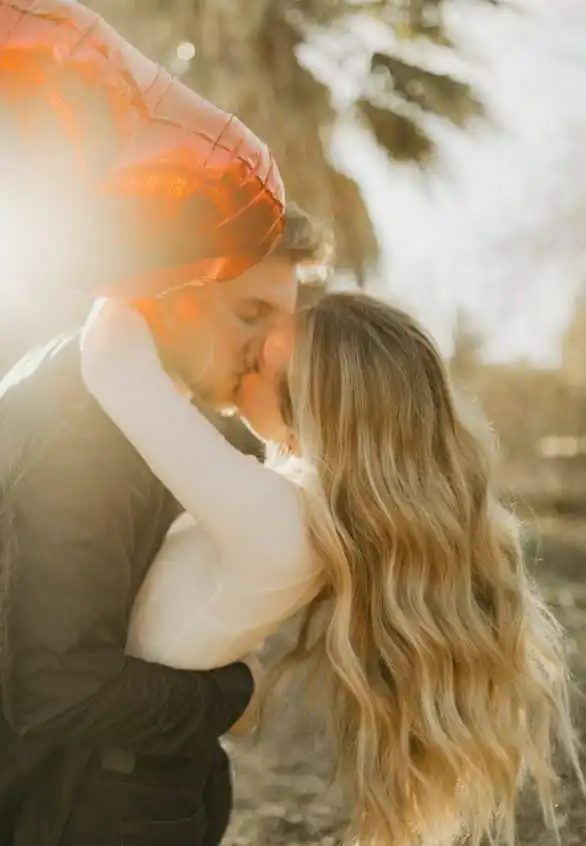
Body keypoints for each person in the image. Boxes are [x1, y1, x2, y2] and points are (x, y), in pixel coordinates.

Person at [81, 290, 582, 846]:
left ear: (319, 407)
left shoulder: (277, 520)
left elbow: (113, 360)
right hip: (146, 780)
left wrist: (150, 269)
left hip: (114, 797)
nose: (252, 348)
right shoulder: (303, 509)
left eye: (259, 361)